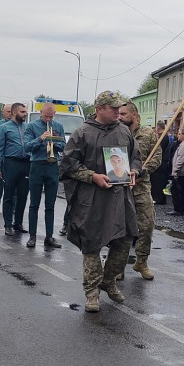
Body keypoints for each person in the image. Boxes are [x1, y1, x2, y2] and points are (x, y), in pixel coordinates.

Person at [60, 90, 140, 312]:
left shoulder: (124, 132)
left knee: (124, 242)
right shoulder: (82, 133)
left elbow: (135, 157)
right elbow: (68, 164)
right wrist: (92, 176)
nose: (117, 112)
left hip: (120, 198)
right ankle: (92, 293)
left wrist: (133, 171)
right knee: (92, 244)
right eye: (112, 108)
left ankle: (108, 280)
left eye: (119, 108)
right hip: (92, 199)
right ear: (99, 109)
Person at [117, 102, 159, 279]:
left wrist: (143, 172)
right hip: (121, 187)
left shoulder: (148, 134)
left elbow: (157, 156)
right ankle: (118, 266)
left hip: (141, 186)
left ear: (134, 114)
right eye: (118, 114)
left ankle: (141, 261)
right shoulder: (116, 133)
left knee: (147, 225)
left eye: (124, 114)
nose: (120, 117)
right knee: (121, 228)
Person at [23, 102, 65, 249]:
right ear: (41, 112)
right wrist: (41, 138)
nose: (48, 119)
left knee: (50, 205)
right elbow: (27, 147)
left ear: (54, 114)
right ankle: (32, 236)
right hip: (37, 165)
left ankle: (49, 237)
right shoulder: (32, 127)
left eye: (51, 116)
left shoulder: (58, 126)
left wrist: (55, 140)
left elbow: (64, 146)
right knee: (34, 203)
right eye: (46, 116)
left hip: (52, 165)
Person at [0, 102, 30, 236]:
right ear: (14, 113)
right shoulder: (4, 128)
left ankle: (18, 223)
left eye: (25, 112)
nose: (25, 114)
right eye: (22, 112)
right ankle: (8, 224)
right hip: (10, 163)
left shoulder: (28, 127)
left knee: (22, 195)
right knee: (8, 195)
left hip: (26, 164)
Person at [169, 127, 184, 216]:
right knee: (181, 191)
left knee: (178, 192)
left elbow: (181, 159)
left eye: (179, 134)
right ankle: (180, 209)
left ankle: (179, 209)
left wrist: (176, 170)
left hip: (181, 173)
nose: (177, 135)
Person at [150, 120, 169, 206]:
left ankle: (159, 198)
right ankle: (157, 197)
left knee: (159, 182)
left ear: (158, 127)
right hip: (161, 162)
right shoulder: (162, 136)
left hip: (161, 163)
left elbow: (160, 150)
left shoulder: (163, 137)